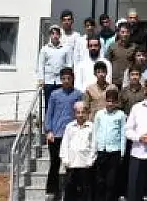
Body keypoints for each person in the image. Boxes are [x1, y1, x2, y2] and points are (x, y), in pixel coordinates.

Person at [45, 68, 83, 199]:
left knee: (71, 165)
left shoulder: (78, 94)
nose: (66, 81)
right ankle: (51, 191)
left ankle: (71, 193)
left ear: (73, 78)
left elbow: (80, 113)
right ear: (61, 80)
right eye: (64, 78)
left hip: (72, 135)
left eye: (69, 78)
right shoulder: (55, 94)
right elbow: (49, 113)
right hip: (56, 134)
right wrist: (49, 130)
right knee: (54, 163)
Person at [93, 88, 128, 201]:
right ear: (105, 101)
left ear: (117, 102)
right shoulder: (99, 114)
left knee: (111, 181)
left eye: (113, 101)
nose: (110, 103)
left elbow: (123, 133)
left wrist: (122, 152)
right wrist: (94, 149)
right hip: (101, 150)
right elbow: (95, 132)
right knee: (100, 180)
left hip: (115, 151)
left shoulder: (120, 115)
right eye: (108, 101)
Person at [61, 101, 96, 201]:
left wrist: (91, 160)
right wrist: (65, 159)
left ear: (87, 113)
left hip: (85, 164)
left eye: (83, 112)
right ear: (74, 113)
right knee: (70, 191)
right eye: (78, 112)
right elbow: (65, 144)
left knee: (86, 191)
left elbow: (94, 145)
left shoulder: (91, 126)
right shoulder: (69, 127)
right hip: (71, 164)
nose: (80, 115)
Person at [38, 26, 73, 116]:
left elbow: (69, 65)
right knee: (49, 105)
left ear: (60, 35)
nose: (55, 36)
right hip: (48, 81)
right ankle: (48, 127)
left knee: (61, 103)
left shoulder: (66, 48)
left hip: (61, 81)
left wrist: (69, 79)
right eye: (53, 33)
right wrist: (41, 79)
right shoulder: (44, 49)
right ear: (50, 35)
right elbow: (40, 65)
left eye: (57, 33)